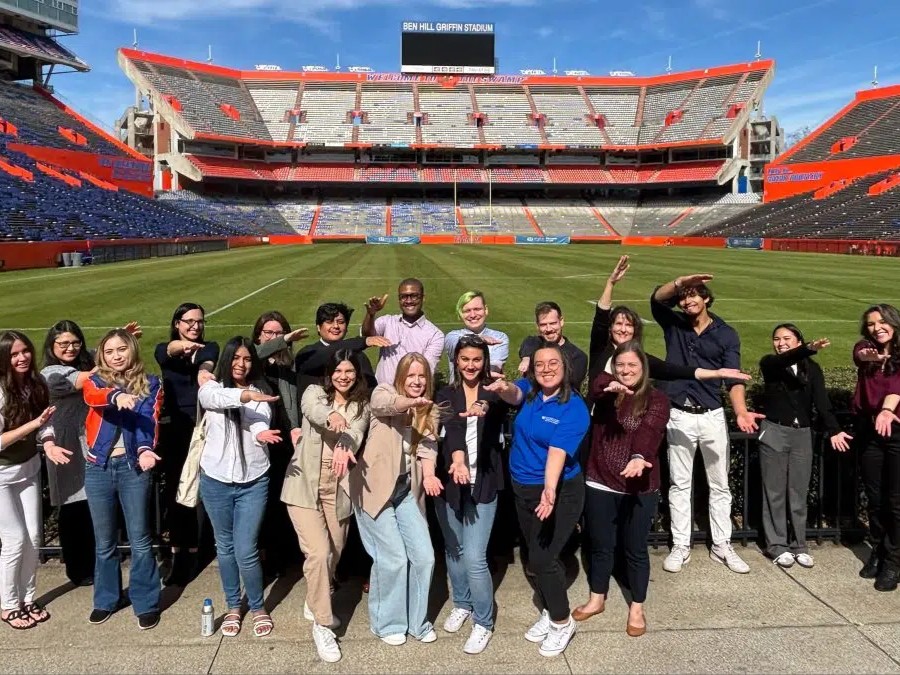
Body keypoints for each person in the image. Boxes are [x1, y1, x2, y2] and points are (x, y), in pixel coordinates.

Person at [651, 273, 763, 575]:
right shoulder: (674, 323)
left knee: (720, 485)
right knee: (679, 483)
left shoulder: (726, 333)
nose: (687, 300)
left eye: (693, 295)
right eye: (684, 296)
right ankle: (681, 545)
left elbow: (733, 377)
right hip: (678, 413)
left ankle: (721, 545)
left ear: (706, 299)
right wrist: (680, 281)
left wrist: (740, 411)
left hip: (711, 414)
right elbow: (656, 299)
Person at [486, 341, 590, 658]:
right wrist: (503, 387)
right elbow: (514, 395)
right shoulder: (531, 390)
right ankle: (548, 608)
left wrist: (549, 489)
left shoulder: (574, 408)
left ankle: (561, 621)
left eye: (552, 363)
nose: (545, 369)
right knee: (536, 555)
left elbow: (558, 453)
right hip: (522, 487)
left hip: (558, 491)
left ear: (566, 368)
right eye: (540, 364)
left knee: (542, 559)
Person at [574, 341, 670, 637]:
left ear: (643, 369)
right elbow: (596, 385)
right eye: (621, 365)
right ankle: (597, 598)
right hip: (600, 480)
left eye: (632, 366)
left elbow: (649, 431)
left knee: (635, 549)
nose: (626, 370)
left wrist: (639, 457)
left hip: (638, 486)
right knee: (600, 545)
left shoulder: (657, 399)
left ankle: (637, 607)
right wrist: (609, 386)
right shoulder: (607, 393)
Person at [282, 350, 371, 663]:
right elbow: (314, 411)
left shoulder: (361, 405)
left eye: (349, 371)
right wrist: (332, 416)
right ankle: (322, 624)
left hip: (338, 489)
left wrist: (346, 445)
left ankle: (314, 599)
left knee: (332, 554)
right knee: (318, 553)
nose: (343, 376)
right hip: (304, 487)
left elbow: (357, 431)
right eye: (338, 371)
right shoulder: (314, 393)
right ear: (329, 373)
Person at [347, 352, 442, 646]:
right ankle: (387, 623)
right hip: (372, 491)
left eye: (422, 376)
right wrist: (411, 403)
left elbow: (427, 447)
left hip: (404, 492)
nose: (417, 381)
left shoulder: (430, 409)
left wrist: (429, 475)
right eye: (411, 375)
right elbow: (386, 405)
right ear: (401, 377)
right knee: (393, 559)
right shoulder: (384, 392)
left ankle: (417, 622)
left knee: (425, 557)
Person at [197, 337, 281, 637]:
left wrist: (261, 435)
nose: (241, 364)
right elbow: (214, 401)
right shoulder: (211, 386)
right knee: (225, 546)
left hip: (253, 481)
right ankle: (234, 605)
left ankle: (257, 606)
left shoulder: (261, 392)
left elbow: (259, 422)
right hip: (216, 479)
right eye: (236, 358)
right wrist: (244, 396)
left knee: (246, 548)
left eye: (247, 359)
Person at [82, 329, 163, 630]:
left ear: (132, 351)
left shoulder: (151, 383)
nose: (116, 356)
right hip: (99, 467)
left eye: (121, 350)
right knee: (104, 541)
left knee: (140, 540)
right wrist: (116, 395)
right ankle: (106, 600)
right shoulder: (95, 380)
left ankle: (146, 602)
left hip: (133, 468)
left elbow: (149, 420)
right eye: (109, 351)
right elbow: (94, 397)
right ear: (102, 356)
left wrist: (145, 450)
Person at [433, 335, 509, 655]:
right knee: (454, 549)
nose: (471, 365)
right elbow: (451, 432)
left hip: (484, 483)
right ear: (456, 360)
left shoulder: (494, 390)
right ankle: (462, 603)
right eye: (465, 359)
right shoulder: (445, 394)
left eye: (477, 359)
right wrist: (458, 460)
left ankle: (483, 621)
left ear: (485, 361)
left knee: (475, 557)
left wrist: (486, 403)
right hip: (452, 482)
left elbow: (502, 401)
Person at [758, 325, 852, 569]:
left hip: (803, 434)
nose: (781, 343)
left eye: (787, 338)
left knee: (798, 492)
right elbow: (785, 360)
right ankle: (777, 545)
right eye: (776, 339)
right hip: (775, 431)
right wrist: (807, 349)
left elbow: (822, 402)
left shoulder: (813, 369)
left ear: (797, 340)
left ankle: (799, 544)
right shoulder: (771, 364)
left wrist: (833, 429)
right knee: (774, 492)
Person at [590, 256, 751, 386]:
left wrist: (717, 373)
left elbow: (674, 370)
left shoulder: (641, 358)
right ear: (610, 328)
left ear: (635, 330)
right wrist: (610, 283)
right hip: (596, 423)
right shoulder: (601, 349)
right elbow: (601, 317)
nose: (623, 329)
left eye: (629, 325)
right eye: (618, 324)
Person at [155, 303, 219, 587]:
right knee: (178, 492)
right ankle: (181, 553)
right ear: (177, 323)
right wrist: (181, 348)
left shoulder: (209, 347)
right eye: (189, 321)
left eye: (199, 321)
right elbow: (166, 352)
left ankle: (201, 547)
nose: (195, 325)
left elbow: (208, 359)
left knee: (207, 489)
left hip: (204, 427)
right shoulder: (164, 349)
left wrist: (203, 369)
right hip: (176, 430)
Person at [0, 331, 57, 630]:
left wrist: (47, 441)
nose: (22, 358)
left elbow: (46, 424)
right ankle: (9, 605)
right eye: (14, 354)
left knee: (35, 538)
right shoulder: (1, 391)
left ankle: (28, 597)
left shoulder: (36, 384)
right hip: (2, 476)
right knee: (13, 540)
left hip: (28, 468)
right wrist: (34, 426)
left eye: (25, 352)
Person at [40, 320, 98, 588]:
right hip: (65, 444)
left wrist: (118, 340)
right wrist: (119, 352)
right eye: (63, 344)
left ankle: (93, 562)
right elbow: (88, 379)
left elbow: (95, 358)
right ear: (52, 346)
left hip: (87, 439)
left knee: (90, 504)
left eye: (75, 342)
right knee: (72, 505)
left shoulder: (82, 361)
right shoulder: (51, 373)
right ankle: (77, 568)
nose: (70, 348)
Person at [252, 311, 307, 577]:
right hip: (260, 439)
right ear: (259, 336)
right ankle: (267, 555)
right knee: (266, 499)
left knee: (288, 497)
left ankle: (289, 553)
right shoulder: (252, 361)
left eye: (278, 332)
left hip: (287, 439)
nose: (274, 338)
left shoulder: (290, 365)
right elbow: (255, 354)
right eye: (269, 333)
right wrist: (283, 339)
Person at [852, 305, 900, 591]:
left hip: (896, 429)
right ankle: (880, 550)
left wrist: (886, 410)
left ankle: (893, 560)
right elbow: (860, 353)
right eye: (870, 324)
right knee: (875, 497)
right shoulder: (866, 349)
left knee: (895, 501)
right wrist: (867, 356)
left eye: (882, 322)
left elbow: (896, 386)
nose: (876, 328)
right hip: (870, 430)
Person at [362, 279, 445, 385]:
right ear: (399, 299)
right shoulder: (387, 321)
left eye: (414, 296)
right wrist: (371, 315)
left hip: (412, 396)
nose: (409, 301)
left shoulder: (435, 335)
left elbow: (426, 372)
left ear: (423, 298)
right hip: (383, 395)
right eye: (404, 297)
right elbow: (367, 337)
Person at [294, 302, 384, 399]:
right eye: (329, 322)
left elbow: (371, 389)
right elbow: (323, 355)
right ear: (318, 327)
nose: (336, 326)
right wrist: (362, 341)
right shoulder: (308, 353)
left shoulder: (358, 355)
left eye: (341, 322)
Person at [518, 302, 588, 392]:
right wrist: (526, 358)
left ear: (561, 321)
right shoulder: (533, 344)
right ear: (537, 326)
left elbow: (568, 386)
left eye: (553, 323)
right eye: (543, 325)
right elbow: (529, 341)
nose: (549, 329)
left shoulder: (578, 356)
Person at [443, 291, 510, 382]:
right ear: (460, 314)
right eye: (467, 311)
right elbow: (458, 344)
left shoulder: (500, 338)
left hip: (487, 393)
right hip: (457, 393)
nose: (473, 315)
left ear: (485, 310)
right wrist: (479, 339)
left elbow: (492, 370)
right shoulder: (452, 336)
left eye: (477, 309)